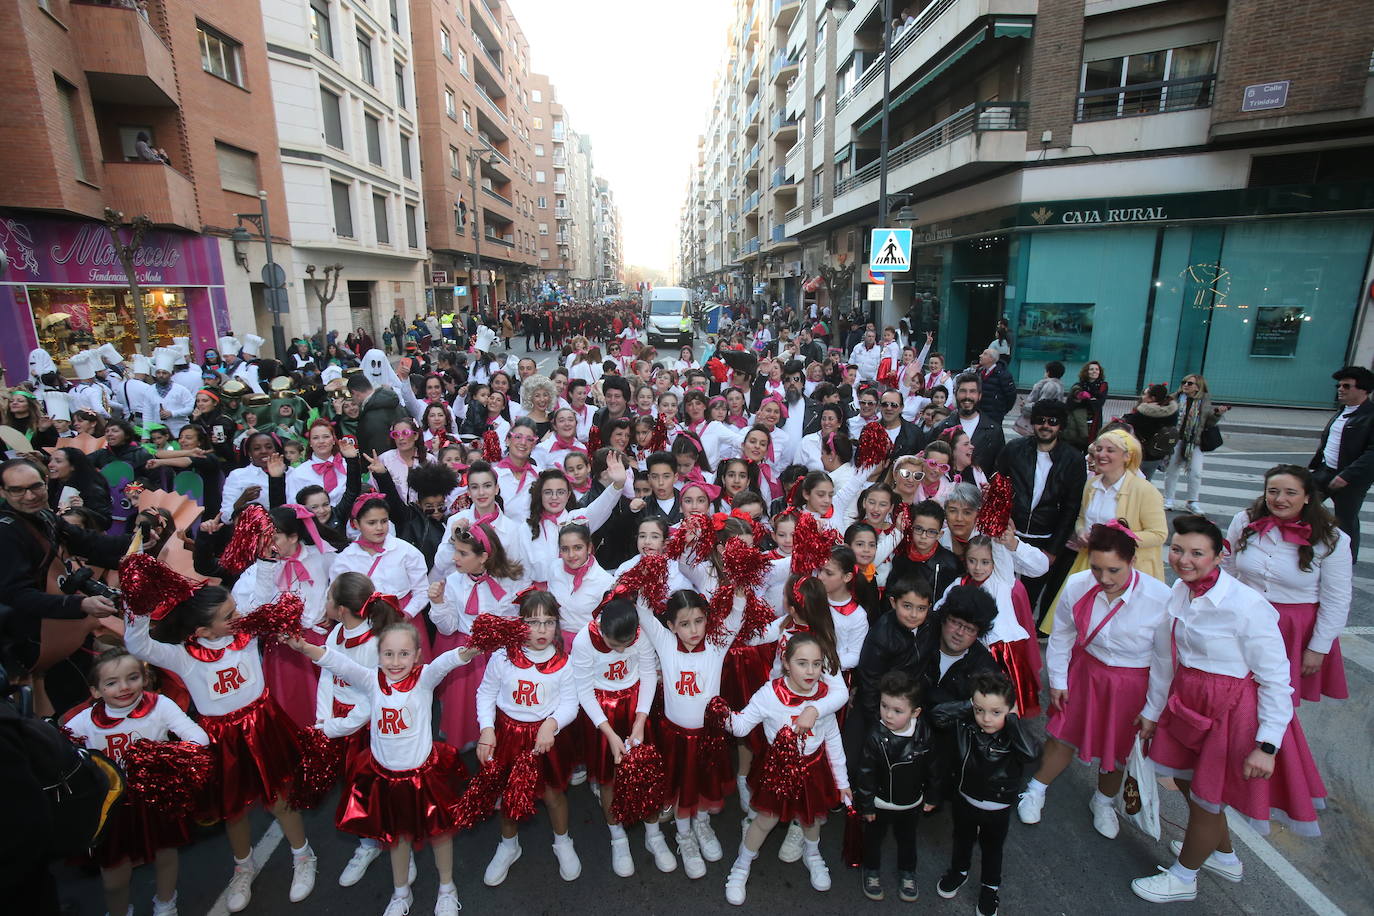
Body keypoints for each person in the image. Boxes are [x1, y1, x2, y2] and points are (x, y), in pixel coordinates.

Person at [122, 562, 316, 914]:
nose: (238, 616)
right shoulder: (183, 656)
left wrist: (268, 563)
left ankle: (303, 855)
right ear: (203, 630)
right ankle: (244, 866)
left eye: (234, 609)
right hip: (221, 738)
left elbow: (261, 595)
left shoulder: (247, 634)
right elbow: (138, 646)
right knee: (233, 810)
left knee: (279, 797)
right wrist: (135, 604)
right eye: (228, 615)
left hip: (261, 725)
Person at [1133, 515, 1296, 904]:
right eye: (1177, 549)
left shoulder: (1248, 606)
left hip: (1231, 712)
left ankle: (1184, 878)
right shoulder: (1179, 591)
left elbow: (1276, 679)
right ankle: (1223, 856)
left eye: (1196, 553)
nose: (1183, 560)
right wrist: (1152, 711)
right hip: (1188, 701)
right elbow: (1164, 659)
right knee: (1190, 782)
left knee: (1208, 796)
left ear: (1220, 555)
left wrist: (1267, 744)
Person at [285, 620, 478, 916]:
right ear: (378, 655)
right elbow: (339, 664)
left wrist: (469, 651)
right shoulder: (371, 681)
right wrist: (306, 647)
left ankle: (447, 888)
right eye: (388, 654)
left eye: (404, 654)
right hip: (387, 779)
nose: (396, 661)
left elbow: (444, 663)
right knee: (396, 837)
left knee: (440, 834)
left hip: (423, 777)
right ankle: (401, 893)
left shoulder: (424, 679)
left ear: (416, 656)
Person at [1018, 522, 1172, 837]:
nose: (1104, 579)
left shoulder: (1159, 597)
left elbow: (1164, 661)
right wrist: (1059, 681)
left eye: (1114, 570)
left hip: (1132, 683)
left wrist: (1153, 710)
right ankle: (1036, 789)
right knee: (1062, 734)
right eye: (1097, 568)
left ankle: (1103, 802)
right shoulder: (1077, 585)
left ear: (1132, 562)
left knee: (1117, 748)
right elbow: (1061, 634)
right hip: (1087, 670)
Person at [63, 648, 210, 916]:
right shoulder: (85, 721)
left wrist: (159, 758)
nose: (124, 688)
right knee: (114, 875)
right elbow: (61, 753)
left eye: (132, 678)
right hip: (112, 808)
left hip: (156, 797)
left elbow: (199, 738)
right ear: (95, 691)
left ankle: (166, 904)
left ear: (145, 678)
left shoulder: (160, 705)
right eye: (111, 683)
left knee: (165, 853)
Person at [724, 633, 850, 905]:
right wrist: (719, 714)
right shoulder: (770, 693)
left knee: (811, 818)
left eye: (816, 664)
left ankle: (813, 855)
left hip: (813, 770)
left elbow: (833, 739)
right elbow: (743, 725)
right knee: (765, 819)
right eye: (802, 663)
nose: (810, 671)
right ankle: (742, 864)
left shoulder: (825, 698)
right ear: (786, 662)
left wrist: (842, 781)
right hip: (778, 772)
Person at [475, 590, 582, 886]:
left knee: (553, 794)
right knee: (510, 795)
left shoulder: (564, 663)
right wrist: (487, 728)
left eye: (548, 622)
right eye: (533, 622)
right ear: (519, 623)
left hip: (546, 740)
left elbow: (570, 702)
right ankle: (509, 846)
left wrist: (553, 723)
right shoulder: (502, 657)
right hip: (509, 736)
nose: (542, 630)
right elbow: (486, 693)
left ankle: (562, 841)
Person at [930, 670, 1041, 916]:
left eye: (996, 712)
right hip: (965, 798)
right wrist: (967, 707)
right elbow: (938, 716)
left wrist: (1012, 722)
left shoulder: (1014, 735)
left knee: (992, 849)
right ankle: (959, 871)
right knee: (962, 839)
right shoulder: (967, 724)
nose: (986, 719)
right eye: (980, 710)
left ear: (1010, 711)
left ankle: (990, 887)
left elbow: (1032, 754)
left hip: (997, 809)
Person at [1044, 430, 1167, 631]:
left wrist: (1118, 539)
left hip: (1128, 568)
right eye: (1098, 449)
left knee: (1118, 626)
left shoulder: (1144, 490)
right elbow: (1083, 518)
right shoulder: (1091, 484)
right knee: (1081, 622)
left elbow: (1159, 534)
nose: (1101, 455)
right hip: (1089, 563)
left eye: (1111, 450)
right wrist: (1082, 531)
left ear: (1127, 456)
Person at [994, 399, 1085, 612]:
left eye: (1052, 421)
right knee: (1001, 593)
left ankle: (1022, 641)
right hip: (1009, 535)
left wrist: (1053, 550)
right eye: (1040, 420)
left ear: (1060, 425)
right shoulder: (1014, 449)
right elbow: (997, 485)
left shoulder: (1073, 459)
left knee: (1027, 600)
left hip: (1044, 540)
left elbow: (1071, 508)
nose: (1045, 425)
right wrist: (1002, 517)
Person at [854, 669, 934, 903]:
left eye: (898, 710)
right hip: (880, 802)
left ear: (915, 712)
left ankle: (907, 872)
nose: (888, 715)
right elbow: (865, 772)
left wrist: (933, 795)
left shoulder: (924, 734)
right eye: (884, 706)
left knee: (908, 840)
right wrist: (866, 804)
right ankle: (871, 870)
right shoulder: (874, 736)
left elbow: (933, 768)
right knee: (873, 839)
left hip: (910, 802)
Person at [1309, 365, 1374, 560]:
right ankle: (1302, 548)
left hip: (1351, 479)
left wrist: (1347, 475)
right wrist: (1315, 465)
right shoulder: (1343, 411)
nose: (1340, 389)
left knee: (1345, 520)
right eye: (1339, 385)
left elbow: (1372, 453)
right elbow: (1330, 442)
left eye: (1347, 386)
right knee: (1303, 507)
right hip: (1325, 471)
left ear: (1363, 389)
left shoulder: (1370, 416)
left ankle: (1347, 560)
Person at [1161, 373, 1227, 514]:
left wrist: (1217, 414)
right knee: (1172, 470)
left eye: (1190, 383)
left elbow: (1208, 422)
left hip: (1194, 441)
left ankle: (1192, 502)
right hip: (1176, 439)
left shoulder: (1204, 400)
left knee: (1196, 472)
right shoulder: (1175, 398)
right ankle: (1168, 499)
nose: (1185, 385)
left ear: (1198, 387)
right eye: (1184, 382)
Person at [932, 373, 1004, 471]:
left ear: (979, 395)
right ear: (955, 394)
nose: (967, 396)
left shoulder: (994, 431)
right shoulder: (942, 428)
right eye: (963, 391)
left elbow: (998, 467)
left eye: (972, 391)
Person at [1122, 384, 1179, 480]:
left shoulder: (1144, 412)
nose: (1142, 397)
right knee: (1147, 480)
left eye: (1145, 394)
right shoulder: (1172, 411)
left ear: (1152, 398)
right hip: (1158, 453)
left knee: (1131, 482)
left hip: (1141, 452)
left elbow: (1130, 423)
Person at [350, 373, 406, 459]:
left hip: (386, 466)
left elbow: (378, 451)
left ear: (355, 393)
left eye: (351, 396)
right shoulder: (395, 403)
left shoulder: (370, 417)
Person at [972, 349, 1016, 422]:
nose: (980, 356)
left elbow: (1011, 395)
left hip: (994, 415)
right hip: (979, 412)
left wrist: (1001, 410)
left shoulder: (1003, 375)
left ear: (991, 359)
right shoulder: (979, 372)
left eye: (985, 354)